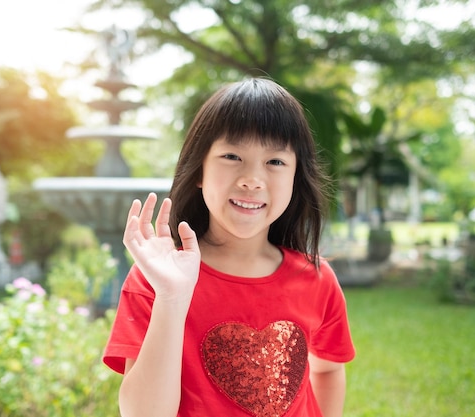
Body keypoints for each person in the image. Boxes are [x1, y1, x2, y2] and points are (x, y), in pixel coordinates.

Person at [103, 78, 355, 417]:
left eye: (275, 161)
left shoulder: (316, 279)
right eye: (232, 156)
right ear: (199, 171)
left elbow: (327, 369)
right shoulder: (158, 278)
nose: (252, 178)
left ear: (297, 177)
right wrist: (172, 299)